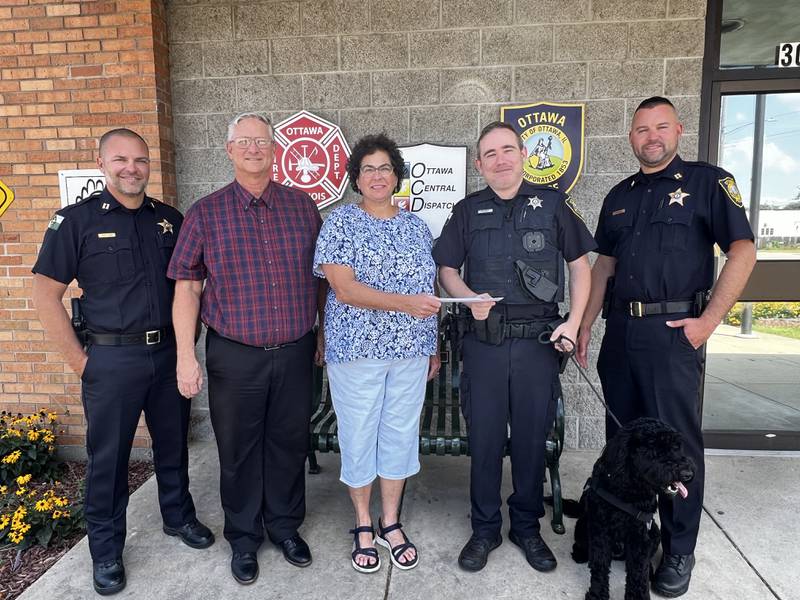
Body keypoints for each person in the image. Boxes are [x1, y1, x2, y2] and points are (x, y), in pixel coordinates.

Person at [576, 96, 756, 598]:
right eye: (640, 129)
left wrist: (709, 322)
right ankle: (629, 528)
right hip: (621, 335)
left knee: (675, 447)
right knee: (627, 445)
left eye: (660, 127)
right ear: (630, 137)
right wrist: (587, 324)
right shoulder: (618, 195)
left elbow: (743, 251)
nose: (650, 137)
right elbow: (603, 268)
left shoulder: (706, 183)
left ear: (678, 130)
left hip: (675, 335)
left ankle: (678, 548)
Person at [31, 129, 214, 596]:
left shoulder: (170, 221)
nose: (131, 168)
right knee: (108, 460)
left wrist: (186, 349)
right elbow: (45, 295)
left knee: (173, 444)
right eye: (120, 160)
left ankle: (178, 517)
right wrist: (81, 362)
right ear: (101, 163)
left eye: (139, 160)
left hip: (168, 353)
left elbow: (189, 289)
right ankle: (106, 549)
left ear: (149, 165)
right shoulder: (75, 221)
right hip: (110, 360)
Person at [167, 113, 325, 585]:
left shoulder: (303, 208)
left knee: (289, 443)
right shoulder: (205, 213)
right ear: (230, 150)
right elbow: (187, 289)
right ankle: (243, 537)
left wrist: (319, 333)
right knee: (237, 449)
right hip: (234, 354)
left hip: (295, 350)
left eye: (262, 141)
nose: (254, 148)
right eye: (245, 142)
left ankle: (284, 527)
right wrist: (185, 354)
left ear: (275, 149)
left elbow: (321, 279)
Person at [433, 121, 595, 573]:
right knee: (484, 440)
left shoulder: (555, 204)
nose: (500, 160)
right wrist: (468, 298)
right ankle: (484, 529)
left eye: (508, 150)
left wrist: (574, 322)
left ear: (523, 154)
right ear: (479, 164)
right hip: (484, 344)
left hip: (537, 345)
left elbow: (581, 267)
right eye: (490, 153)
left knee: (529, 440)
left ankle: (526, 527)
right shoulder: (467, 210)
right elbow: (446, 267)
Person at [313, 134, 441, 574]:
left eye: (385, 167)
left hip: (410, 351)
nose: (377, 176)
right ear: (356, 178)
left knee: (400, 435)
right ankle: (363, 524)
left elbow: (431, 291)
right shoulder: (340, 223)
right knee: (360, 434)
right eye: (368, 169)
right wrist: (406, 304)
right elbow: (344, 289)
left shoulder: (417, 226)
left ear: (397, 175)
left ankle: (391, 521)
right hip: (356, 351)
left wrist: (433, 345)